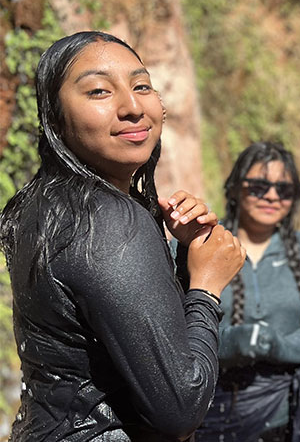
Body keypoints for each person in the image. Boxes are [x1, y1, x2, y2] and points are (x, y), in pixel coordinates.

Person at [0, 31, 247, 441]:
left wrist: (182, 260)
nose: (133, 107)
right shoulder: (107, 219)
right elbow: (180, 408)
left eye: (142, 86)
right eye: (98, 91)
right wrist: (206, 287)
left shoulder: (38, 205)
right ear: (55, 117)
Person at [196, 141, 300, 442]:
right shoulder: (202, 244)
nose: (273, 196)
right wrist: (230, 343)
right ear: (236, 188)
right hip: (212, 411)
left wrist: (277, 347)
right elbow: (175, 333)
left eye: (284, 189)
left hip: (284, 413)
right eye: (259, 186)